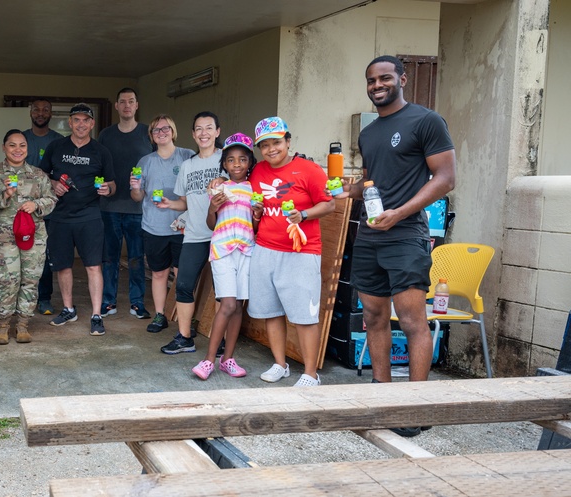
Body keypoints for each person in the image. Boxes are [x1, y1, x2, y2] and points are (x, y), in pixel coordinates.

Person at [339, 55, 456, 436]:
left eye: (385, 78)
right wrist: (348, 190)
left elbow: (446, 178)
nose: (377, 85)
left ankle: (414, 407)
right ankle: (381, 396)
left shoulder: (426, 120)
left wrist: (400, 212)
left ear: (402, 79)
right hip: (370, 236)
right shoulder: (369, 133)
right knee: (373, 318)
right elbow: (374, 183)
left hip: (406, 237)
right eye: (371, 79)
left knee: (411, 322)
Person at [248, 116, 334, 387]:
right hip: (265, 249)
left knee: (304, 316)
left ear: (288, 141)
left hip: (302, 252)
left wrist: (304, 214)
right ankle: (280, 364)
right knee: (271, 311)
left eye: (276, 142)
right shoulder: (258, 171)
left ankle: (310, 373)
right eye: (265, 145)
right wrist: (257, 213)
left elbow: (328, 204)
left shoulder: (309, 169)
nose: (271, 149)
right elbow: (258, 209)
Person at [38, 103, 116, 336]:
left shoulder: (101, 151)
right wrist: (54, 184)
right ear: (69, 123)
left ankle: (95, 315)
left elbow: (112, 183)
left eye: (86, 120)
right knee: (63, 266)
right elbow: (42, 175)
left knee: (93, 266)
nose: (81, 124)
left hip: (90, 217)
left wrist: (107, 189)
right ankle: (68, 309)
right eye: (76, 120)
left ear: (92, 124)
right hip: (60, 216)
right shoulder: (56, 146)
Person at [0, 129, 57, 344]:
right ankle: (3, 326)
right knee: (9, 280)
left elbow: (51, 200)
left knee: (30, 280)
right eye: (12, 145)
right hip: (5, 235)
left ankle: (23, 325)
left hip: (34, 235)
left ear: (27, 149)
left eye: (22, 145)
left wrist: (36, 204)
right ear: (4, 147)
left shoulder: (38, 174)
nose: (17, 150)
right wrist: (6, 195)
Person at [192, 133, 258, 380]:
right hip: (222, 250)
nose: (237, 164)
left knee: (238, 307)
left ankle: (228, 359)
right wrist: (212, 208)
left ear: (250, 162)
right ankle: (209, 360)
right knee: (228, 304)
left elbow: (254, 226)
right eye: (231, 160)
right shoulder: (218, 188)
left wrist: (257, 216)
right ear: (224, 164)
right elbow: (211, 224)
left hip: (246, 250)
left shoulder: (254, 190)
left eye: (242, 159)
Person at [154, 111, 221, 354]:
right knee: (183, 286)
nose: (204, 133)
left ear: (217, 132)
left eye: (208, 128)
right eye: (199, 129)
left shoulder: (227, 159)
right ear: (193, 134)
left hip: (222, 235)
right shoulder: (187, 165)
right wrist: (169, 204)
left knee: (223, 291)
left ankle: (221, 338)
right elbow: (185, 202)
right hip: (194, 235)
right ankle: (184, 338)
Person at [130, 115, 194, 333]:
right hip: (153, 226)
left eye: (166, 128)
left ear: (173, 131)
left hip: (182, 226)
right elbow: (137, 197)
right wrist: (136, 187)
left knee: (181, 273)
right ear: (151, 136)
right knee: (159, 273)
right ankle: (160, 315)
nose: (161, 132)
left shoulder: (187, 157)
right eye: (156, 130)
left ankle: (185, 319)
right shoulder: (145, 162)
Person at [98, 88, 152, 320]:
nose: (127, 105)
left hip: (137, 209)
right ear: (117, 106)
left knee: (136, 257)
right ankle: (108, 301)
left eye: (131, 101)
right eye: (122, 102)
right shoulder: (106, 135)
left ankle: (137, 302)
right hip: (109, 206)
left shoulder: (147, 133)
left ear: (137, 105)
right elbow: (98, 166)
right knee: (109, 257)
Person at [23, 99, 64, 316]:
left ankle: (44, 298)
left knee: (45, 256)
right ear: (30, 112)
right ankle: (21, 299)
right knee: (21, 253)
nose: (41, 113)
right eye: (37, 109)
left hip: (48, 208)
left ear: (51, 113)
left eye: (45, 109)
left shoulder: (58, 141)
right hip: (21, 207)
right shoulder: (22, 139)